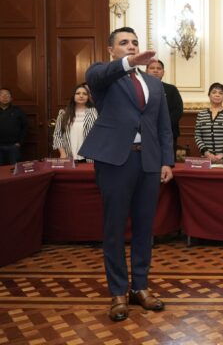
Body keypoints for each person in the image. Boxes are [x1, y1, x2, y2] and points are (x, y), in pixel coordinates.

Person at [79, 26, 174, 322]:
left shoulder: (154, 84)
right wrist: (129, 63)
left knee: (145, 228)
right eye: (124, 42)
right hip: (114, 162)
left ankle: (140, 287)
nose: (131, 46)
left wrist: (167, 161)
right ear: (111, 50)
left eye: (134, 42)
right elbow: (96, 76)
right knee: (115, 228)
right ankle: (118, 292)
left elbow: (163, 126)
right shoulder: (103, 76)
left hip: (148, 162)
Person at [52, 83, 98, 161]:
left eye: (84, 94)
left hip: (90, 157)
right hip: (69, 157)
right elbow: (57, 135)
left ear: (88, 97)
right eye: (78, 93)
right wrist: (62, 153)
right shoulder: (63, 114)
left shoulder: (95, 112)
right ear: (73, 96)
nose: (81, 96)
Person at [194, 82, 223, 164]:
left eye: (220, 93)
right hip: (207, 160)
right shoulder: (201, 114)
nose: (217, 95)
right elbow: (197, 136)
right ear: (209, 95)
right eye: (214, 92)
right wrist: (207, 154)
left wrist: (221, 155)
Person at [146, 60, 183, 151]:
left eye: (159, 68)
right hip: (146, 132)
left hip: (168, 133)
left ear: (163, 72)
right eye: (152, 68)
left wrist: (163, 125)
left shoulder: (171, 89)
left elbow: (178, 110)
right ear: (146, 71)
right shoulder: (140, 89)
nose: (155, 71)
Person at [0, 88, 28, 165]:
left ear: (11, 98)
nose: (5, 97)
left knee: (14, 168)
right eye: (2, 94)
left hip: (13, 146)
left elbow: (25, 127)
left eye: (7, 95)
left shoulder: (18, 111)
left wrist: (19, 142)